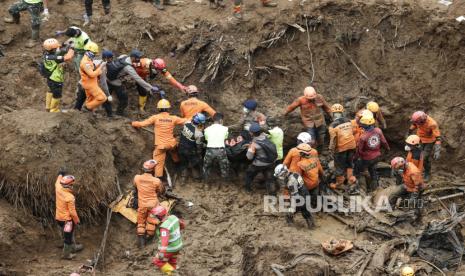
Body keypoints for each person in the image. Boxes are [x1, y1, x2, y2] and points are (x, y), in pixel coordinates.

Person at [131, 99, 187, 178]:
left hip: (161, 146)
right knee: (174, 151)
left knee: (158, 163)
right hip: (171, 144)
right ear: (168, 108)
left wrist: (133, 123)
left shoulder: (155, 117)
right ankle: (177, 164)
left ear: (159, 109)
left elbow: (142, 124)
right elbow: (186, 121)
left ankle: (158, 178)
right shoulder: (173, 118)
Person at [102, 50, 158, 116]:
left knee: (107, 95)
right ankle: (119, 113)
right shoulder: (128, 68)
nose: (139, 59)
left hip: (107, 77)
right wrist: (150, 87)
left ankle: (104, 107)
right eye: (138, 58)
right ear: (133, 58)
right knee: (124, 99)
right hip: (115, 82)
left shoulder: (124, 56)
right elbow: (138, 79)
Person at [285, 86, 332, 154]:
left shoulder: (319, 97)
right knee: (311, 139)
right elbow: (291, 107)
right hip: (308, 122)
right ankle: (312, 153)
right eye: (310, 98)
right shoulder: (300, 100)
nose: (312, 99)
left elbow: (327, 108)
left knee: (322, 136)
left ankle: (322, 150)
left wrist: (332, 116)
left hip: (320, 121)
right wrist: (285, 113)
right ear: (305, 96)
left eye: (313, 98)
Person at [354, 113, 390, 191]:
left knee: (359, 171)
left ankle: (363, 189)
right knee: (373, 170)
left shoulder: (363, 137)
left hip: (366, 158)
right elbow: (384, 142)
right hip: (377, 156)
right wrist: (387, 149)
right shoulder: (378, 130)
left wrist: (355, 158)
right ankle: (375, 189)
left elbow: (359, 150)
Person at [134, 160, 163, 247]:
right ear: (153, 170)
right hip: (153, 205)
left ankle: (142, 243)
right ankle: (149, 238)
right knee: (151, 221)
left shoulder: (137, 178)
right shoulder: (156, 181)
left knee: (141, 221)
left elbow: (135, 186)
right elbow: (160, 191)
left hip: (142, 204)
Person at [274, 164, 314, 228]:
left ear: (284, 173)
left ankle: (291, 227)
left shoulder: (291, 182)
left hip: (299, 197)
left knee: (289, 212)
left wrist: (292, 208)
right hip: (306, 193)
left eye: (280, 175)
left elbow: (295, 196)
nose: (280, 177)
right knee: (305, 211)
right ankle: (312, 226)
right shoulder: (295, 173)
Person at [55, 169, 83, 260]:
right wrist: (77, 221)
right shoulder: (70, 197)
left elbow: (58, 179)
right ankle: (66, 255)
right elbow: (72, 212)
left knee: (68, 233)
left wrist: (61, 173)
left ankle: (73, 247)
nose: (73, 186)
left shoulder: (58, 187)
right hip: (68, 221)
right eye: (72, 184)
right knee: (68, 236)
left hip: (58, 218)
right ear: (69, 186)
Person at [328, 104, 357, 190]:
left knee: (339, 166)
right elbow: (353, 131)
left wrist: (331, 150)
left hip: (341, 148)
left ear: (333, 114)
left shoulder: (332, 126)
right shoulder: (349, 121)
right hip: (352, 145)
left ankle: (339, 184)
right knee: (349, 163)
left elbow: (333, 140)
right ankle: (350, 180)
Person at [41, 38, 74, 112]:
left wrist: (63, 44)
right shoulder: (54, 58)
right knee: (57, 95)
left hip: (50, 77)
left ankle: (48, 108)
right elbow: (68, 57)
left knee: (50, 90)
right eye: (55, 48)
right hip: (56, 79)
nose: (57, 49)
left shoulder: (46, 54)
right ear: (53, 49)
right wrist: (72, 48)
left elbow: (57, 50)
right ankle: (54, 110)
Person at [151, 206, 185, 276]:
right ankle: (172, 271)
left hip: (170, 249)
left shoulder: (164, 227)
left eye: (155, 217)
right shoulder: (173, 217)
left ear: (159, 217)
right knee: (172, 261)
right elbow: (182, 225)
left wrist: (161, 254)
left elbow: (165, 242)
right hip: (178, 245)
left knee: (157, 261)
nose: (154, 218)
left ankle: (173, 273)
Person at [245, 122, 277, 194]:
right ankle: (272, 193)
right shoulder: (265, 136)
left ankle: (248, 189)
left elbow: (249, 157)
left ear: (252, 133)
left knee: (249, 173)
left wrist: (249, 147)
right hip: (270, 162)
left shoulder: (254, 144)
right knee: (269, 177)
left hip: (259, 164)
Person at [409, 111, 441, 181]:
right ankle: (417, 170)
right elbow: (414, 125)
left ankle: (427, 172)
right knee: (416, 155)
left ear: (422, 121)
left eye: (418, 122)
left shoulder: (432, 124)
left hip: (429, 141)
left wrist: (437, 151)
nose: (417, 124)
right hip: (419, 139)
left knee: (424, 157)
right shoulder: (418, 121)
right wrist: (409, 131)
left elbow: (438, 138)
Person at [178, 113, 206, 181]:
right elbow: (199, 145)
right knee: (195, 162)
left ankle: (183, 177)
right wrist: (199, 153)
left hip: (181, 147)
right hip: (190, 150)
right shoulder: (198, 133)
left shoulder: (186, 123)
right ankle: (196, 177)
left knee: (183, 162)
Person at [80, 42, 107, 111]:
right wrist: (101, 67)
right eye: (94, 53)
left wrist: (99, 65)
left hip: (91, 83)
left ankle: (86, 114)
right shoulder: (85, 62)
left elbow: (92, 69)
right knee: (102, 98)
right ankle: (87, 107)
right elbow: (91, 74)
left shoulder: (89, 60)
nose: (95, 55)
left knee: (90, 99)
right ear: (89, 51)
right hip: (90, 84)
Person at [296, 143, 324, 210]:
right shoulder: (315, 159)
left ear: (302, 153)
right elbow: (321, 170)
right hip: (316, 183)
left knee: (305, 199)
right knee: (315, 196)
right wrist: (322, 178)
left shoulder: (300, 164)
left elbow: (298, 177)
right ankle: (316, 207)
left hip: (307, 186)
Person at [203, 113, 230, 182]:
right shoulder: (225, 129)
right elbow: (225, 138)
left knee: (206, 166)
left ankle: (206, 183)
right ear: (221, 120)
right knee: (224, 167)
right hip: (221, 150)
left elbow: (207, 139)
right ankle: (224, 183)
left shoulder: (206, 129)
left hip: (209, 150)